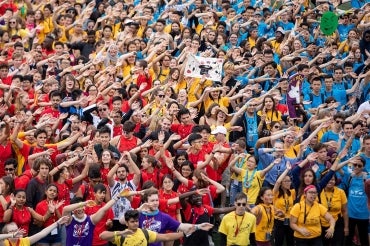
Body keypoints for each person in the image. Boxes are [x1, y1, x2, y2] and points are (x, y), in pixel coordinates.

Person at [99, 209, 213, 245]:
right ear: (127, 223)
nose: (135, 223)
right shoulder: (121, 236)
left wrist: (190, 230)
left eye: (136, 221)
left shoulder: (144, 233)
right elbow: (102, 236)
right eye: (132, 222)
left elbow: (166, 237)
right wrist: (120, 233)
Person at [0, 216, 70, 246]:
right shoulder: (4, 243)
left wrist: (57, 223)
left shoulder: (24, 241)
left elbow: (42, 233)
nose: (15, 232)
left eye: (16, 230)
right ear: (6, 234)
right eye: (12, 231)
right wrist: (11, 235)